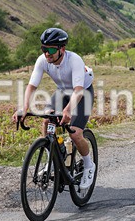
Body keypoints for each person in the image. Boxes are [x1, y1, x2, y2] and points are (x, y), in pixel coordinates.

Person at [12, 27, 96, 187]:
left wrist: (68, 110)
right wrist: (23, 107)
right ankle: (55, 156)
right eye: (44, 49)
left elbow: (78, 90)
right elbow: (32, 86)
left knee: (76, 134)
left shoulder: (74, 60)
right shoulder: (43, 61)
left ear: (62, 49)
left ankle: (88, 165)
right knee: (46, 121)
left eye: (50, 49)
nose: (47, 53)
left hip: (82, 92)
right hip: (63, 91)